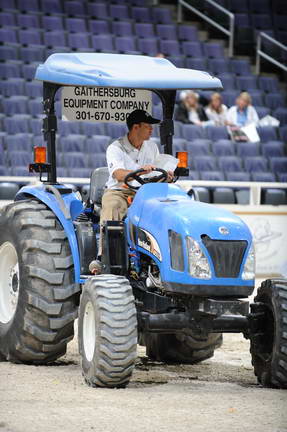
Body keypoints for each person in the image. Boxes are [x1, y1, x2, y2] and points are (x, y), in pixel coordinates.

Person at [89, 109, 174, 274]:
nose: (151, 129)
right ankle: (104, 256)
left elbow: (157, 171)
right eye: (148, 126)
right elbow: (118, 174)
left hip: (145, 191)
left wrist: (167, 176)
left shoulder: (152, 147)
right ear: (136, 127)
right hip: (120, 191)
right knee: (113, 204)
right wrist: (140, 171)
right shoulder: (116, 148)